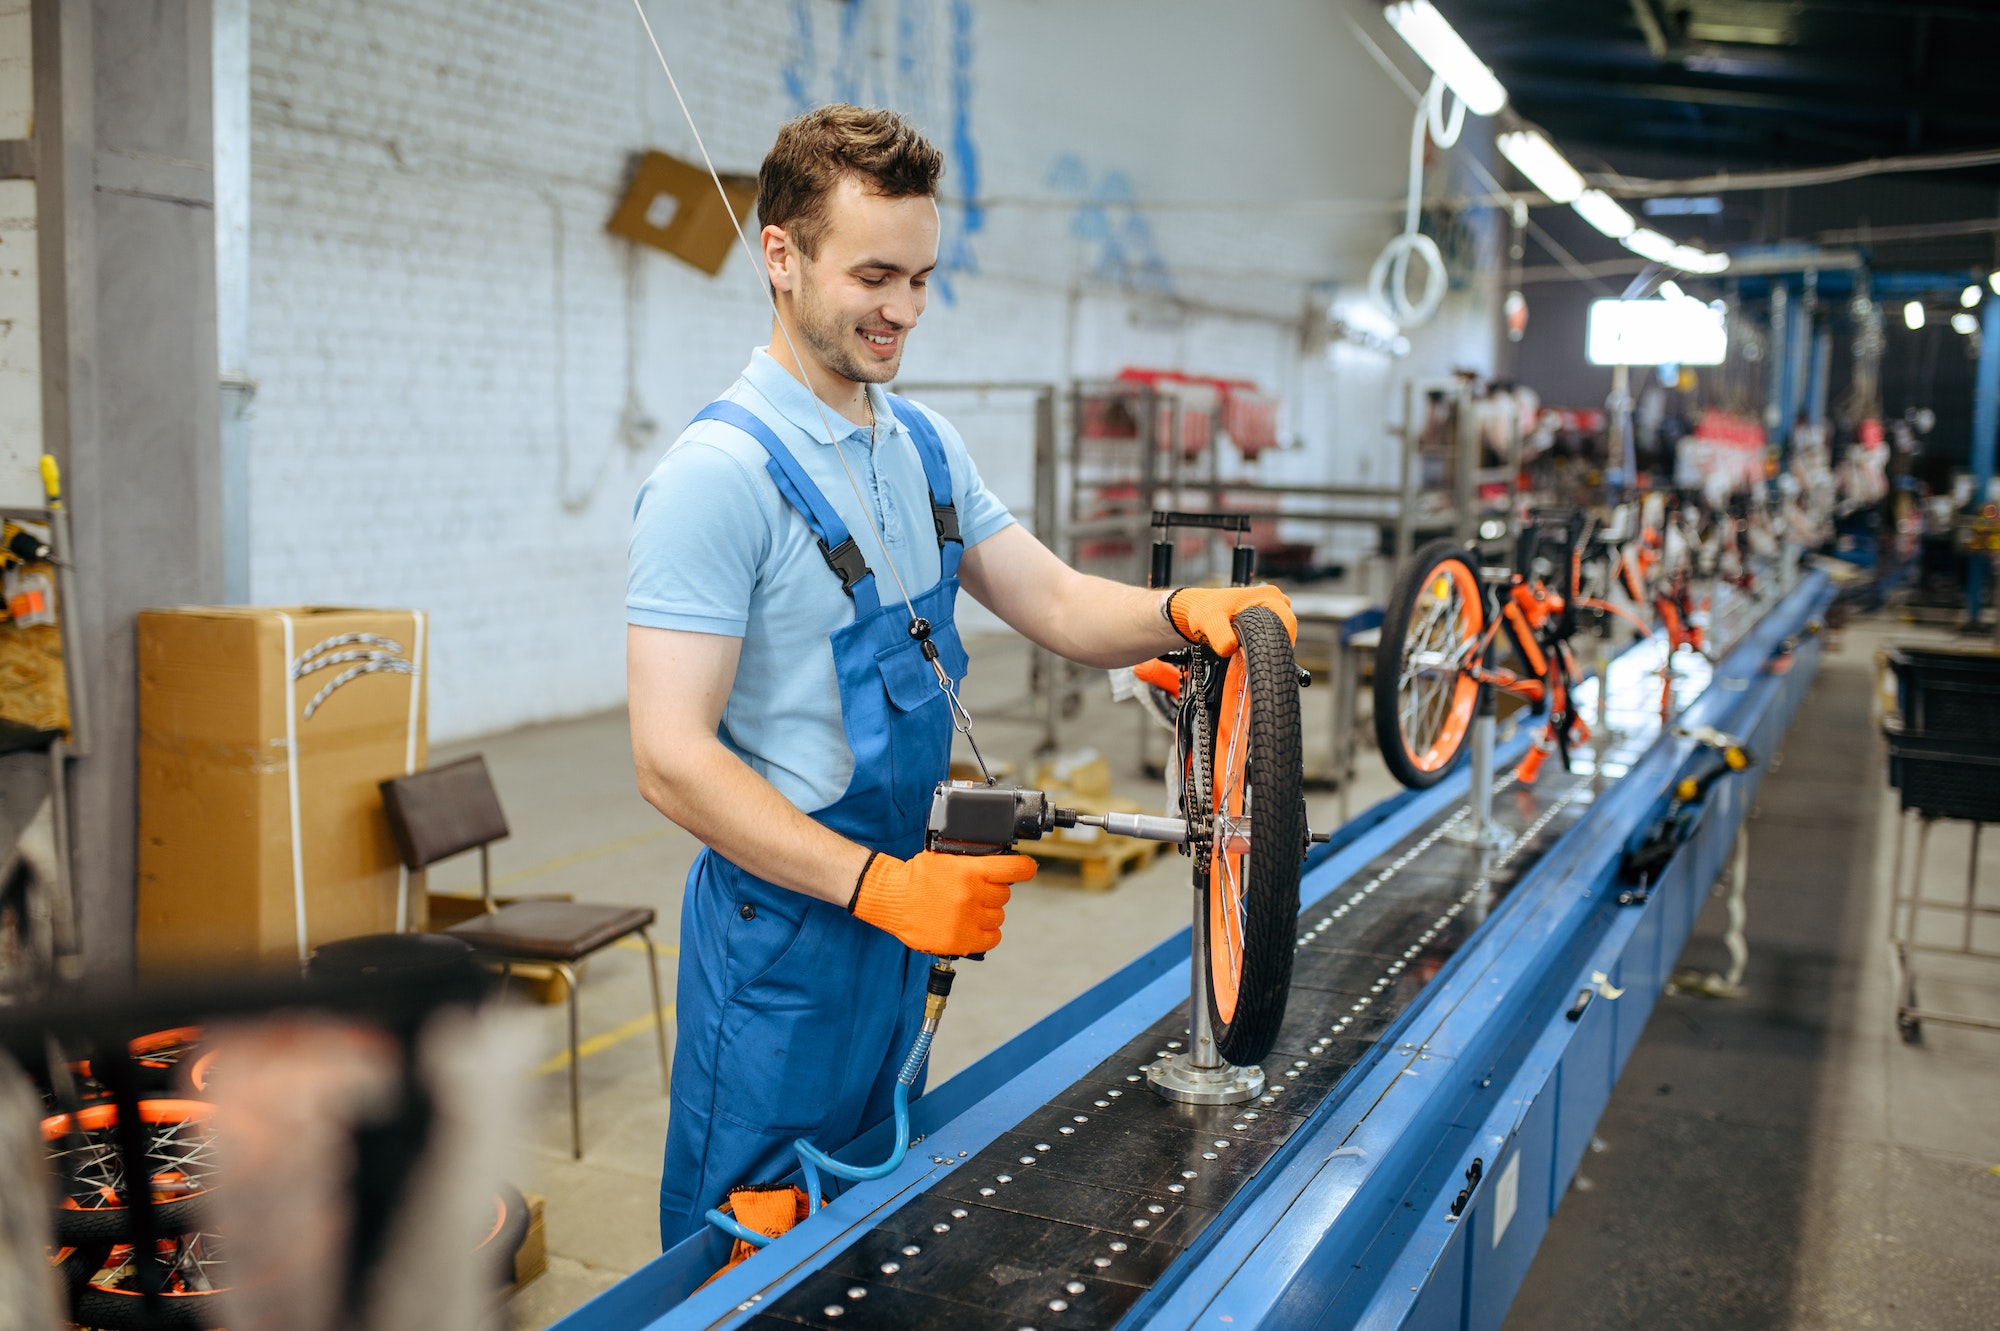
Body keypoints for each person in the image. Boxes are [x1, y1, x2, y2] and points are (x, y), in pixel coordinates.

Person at [627, 104, 1295, 1247]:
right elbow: (669, 757)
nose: (902, 310)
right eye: (874, 274)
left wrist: (1180, 609)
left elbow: (1049, 599)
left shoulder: (921, 448)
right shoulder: (715, 477)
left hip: (902, 921)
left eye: (923, 278)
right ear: (778, 256)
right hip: (783, 938)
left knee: (864, 1217)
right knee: (742, 1244)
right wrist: (876, 888)